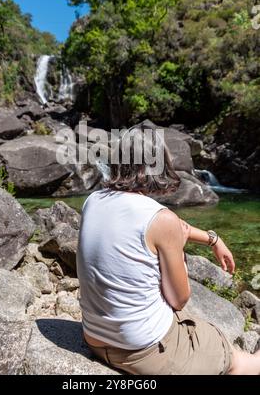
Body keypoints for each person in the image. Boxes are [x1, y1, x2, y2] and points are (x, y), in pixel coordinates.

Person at [77, 122, 260, 375]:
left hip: (96, 339)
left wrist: (213, 239)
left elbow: (165, 228)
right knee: (239, 361)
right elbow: (179, 299)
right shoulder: (161, 219)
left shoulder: (93, 201)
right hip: (143, 351)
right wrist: (181, 256)